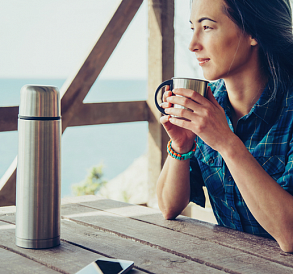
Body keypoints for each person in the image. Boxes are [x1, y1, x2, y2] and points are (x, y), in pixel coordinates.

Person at [156, 0, 293, 252]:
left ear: (253, 32)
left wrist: (227, 143)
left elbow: (290, 235)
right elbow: (168, 206)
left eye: (207, 27)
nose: (193, 44)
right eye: (192, 28)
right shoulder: (208, 105)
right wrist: (182, 144)